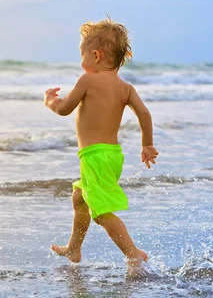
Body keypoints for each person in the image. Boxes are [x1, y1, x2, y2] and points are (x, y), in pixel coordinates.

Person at [44, 17, 159, 275]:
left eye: (82, 55)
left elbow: (64, 109)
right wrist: (147, 144)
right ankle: (74, 248)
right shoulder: (125, 88)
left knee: (101, 212)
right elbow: (145, 114)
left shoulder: (87, 81)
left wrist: (50, 101)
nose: (81, 62)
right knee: (80, 198)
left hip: (94, 156)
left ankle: (132, 252)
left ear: (95, 55)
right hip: (112, 156)